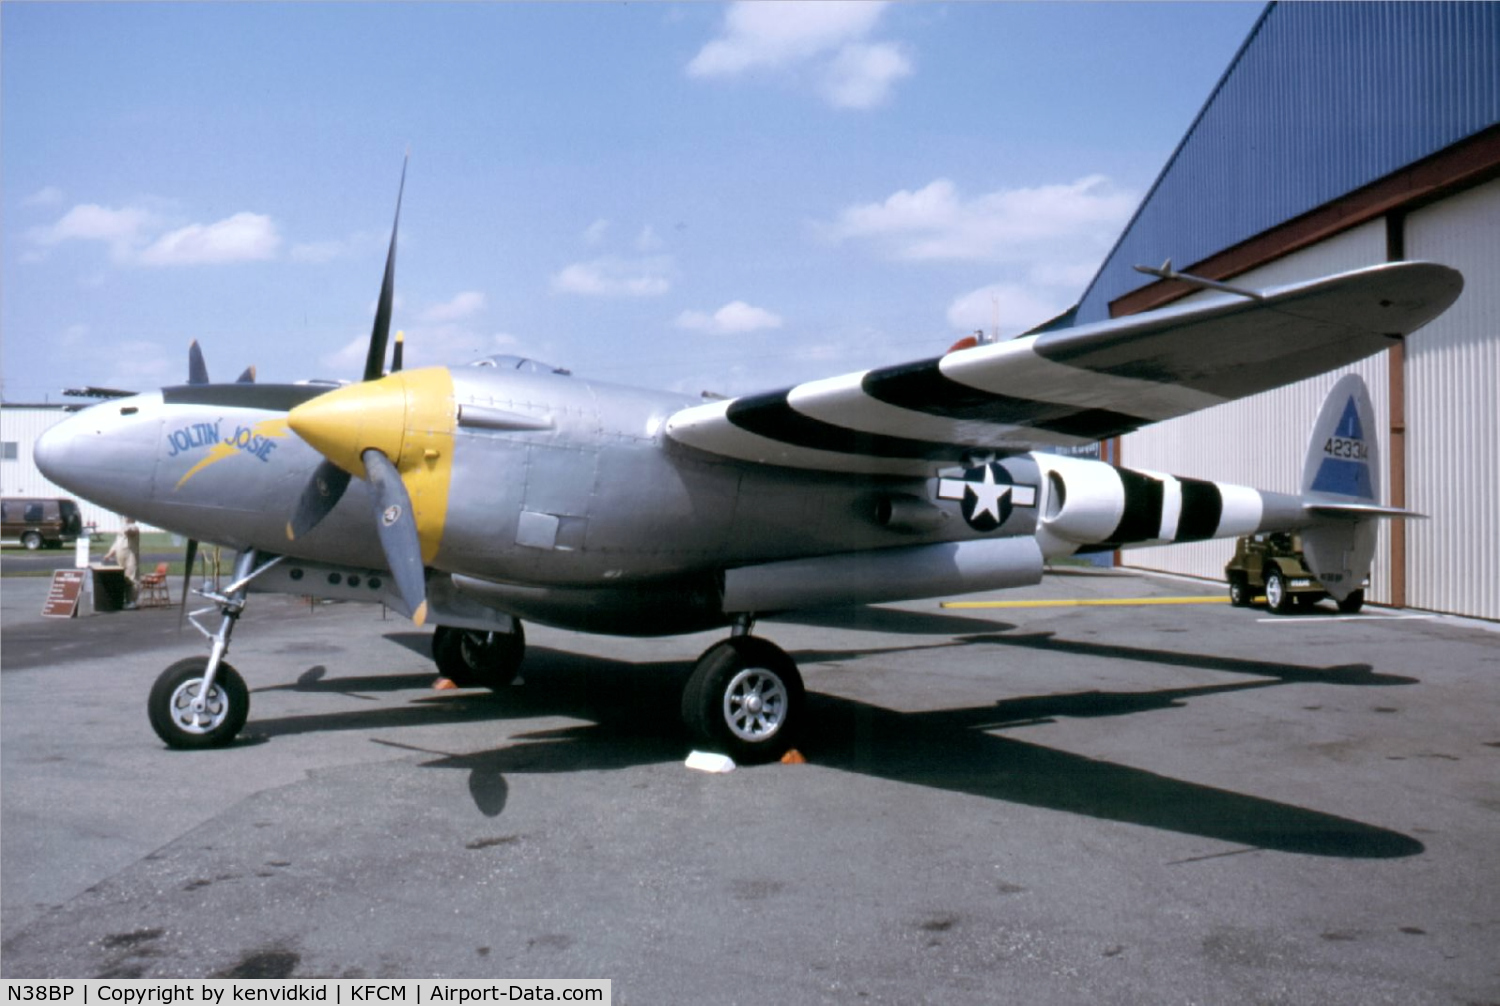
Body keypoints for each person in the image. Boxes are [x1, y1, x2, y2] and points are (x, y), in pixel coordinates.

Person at [101, 516, 141, 609]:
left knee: (132, 578)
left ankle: (132, 600)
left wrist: (126, 527)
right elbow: (116, 543)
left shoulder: (133, 527)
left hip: (131, 556)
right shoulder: (121, 529)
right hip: (120, 556)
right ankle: (124, 599)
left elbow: (131, 532)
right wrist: (109, 554)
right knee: (123, 578)